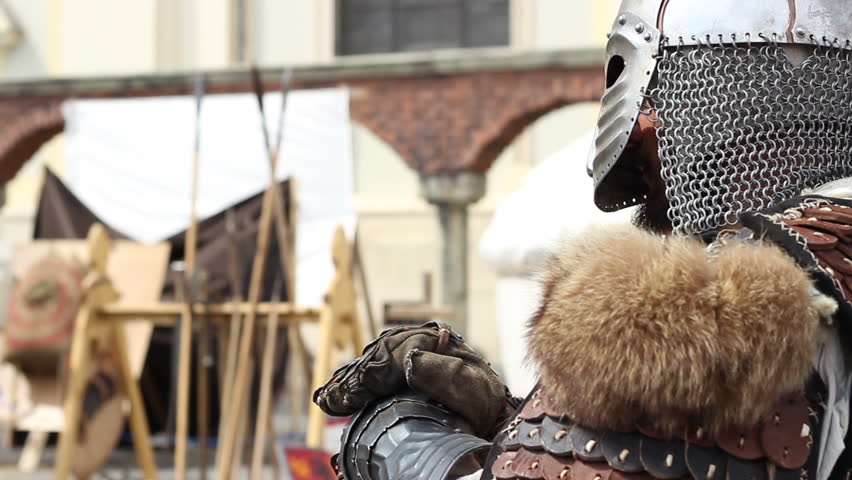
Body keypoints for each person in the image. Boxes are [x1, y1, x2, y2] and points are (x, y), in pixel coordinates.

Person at [314, 1, 852, 478]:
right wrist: (516, 423)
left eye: (656, 90)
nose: (638, 126)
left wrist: (418, 450)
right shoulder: (834, 256)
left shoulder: (729, 305)